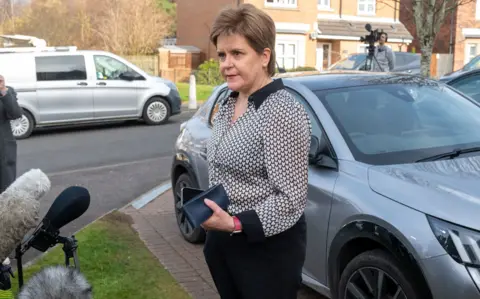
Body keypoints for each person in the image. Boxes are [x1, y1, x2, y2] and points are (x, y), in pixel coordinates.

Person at [200, 4, 312, 299]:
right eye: (222, 55)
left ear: (264, 56)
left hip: (265, 253)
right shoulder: (229, 101)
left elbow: (291, 200)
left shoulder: (281, 110)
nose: (226, 63)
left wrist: (236, 224)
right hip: (224, 243)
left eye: (237, 54)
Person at [0, 75, 22, 193]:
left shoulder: (7, 91)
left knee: (6, 190)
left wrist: (3, 91)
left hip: (3, 150)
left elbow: (16, 114)